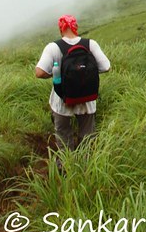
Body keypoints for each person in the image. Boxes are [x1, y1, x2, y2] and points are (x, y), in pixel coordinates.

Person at [34, 14, 111, 151]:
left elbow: (39, 72)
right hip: (87, 100)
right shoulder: (90, 44)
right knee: (87, 137)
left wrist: (57, 73)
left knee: (63, 136)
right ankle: (86, 166)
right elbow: (106, 67)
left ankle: (64, 167)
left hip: (62, 101)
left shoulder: (53, 47)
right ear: (76, 27)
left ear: (60, 29)